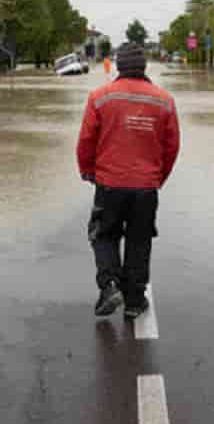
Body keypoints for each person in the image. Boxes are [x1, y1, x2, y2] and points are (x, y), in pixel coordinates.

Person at [76, 42, 180, 319]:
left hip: (109, 183)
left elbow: (86, 140)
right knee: (139, 240)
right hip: (146, 187)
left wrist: (87, 170)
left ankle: (109, 285)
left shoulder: (100, 97)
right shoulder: (164, 100)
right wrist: (158, 178)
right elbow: (172, 147)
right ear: (143, 66)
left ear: (119, 66)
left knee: (104, 234)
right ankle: (134, 301)